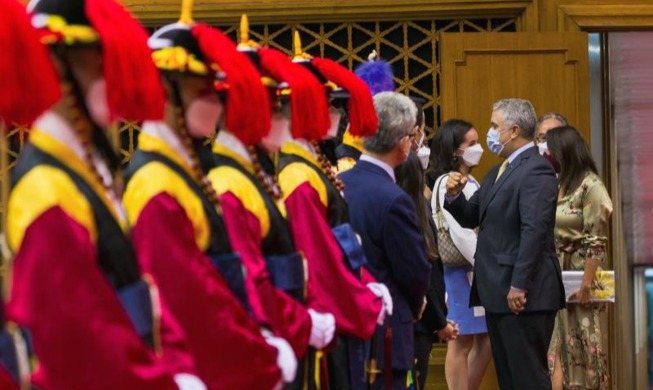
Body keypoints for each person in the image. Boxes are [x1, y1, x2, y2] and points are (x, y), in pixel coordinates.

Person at [5, 0, 207, 388]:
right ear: (57, 66)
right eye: (96, 61)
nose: (111, 74)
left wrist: (174, 368)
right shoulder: (46, 189)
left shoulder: (84, 171)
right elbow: (85, 340)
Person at [122, 5, 298, 389]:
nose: (217, 103)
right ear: (167, 91)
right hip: (198, 364)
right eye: (202, 91)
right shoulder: (156, 182)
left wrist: (259, 339)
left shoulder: (183, 173)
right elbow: (185, 297)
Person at [207, 24, 338, 389]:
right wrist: (297, 322)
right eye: (275, 108)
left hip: (290, 319)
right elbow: (249, 274)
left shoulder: (254, 175)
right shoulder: (229, 183)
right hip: (269, 331)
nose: (282, 118)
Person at [278, 32, 391, 390]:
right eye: (330, 103)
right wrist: (360, 299)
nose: (339, 113)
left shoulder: (312, 164)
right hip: (322, 312)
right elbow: (318, 258)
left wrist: (365, 284)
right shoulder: (298, 174)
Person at [444, 98, 565, 390]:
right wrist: (454, 196)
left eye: (494, 126)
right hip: (497, 292)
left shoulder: (536, 169)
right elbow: (470, 213)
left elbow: (534, 231)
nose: (490, 132)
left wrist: (519, 284)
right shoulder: (498, 170)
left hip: (523, 294)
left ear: (513, 130)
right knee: (510, 377)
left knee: (527, 377)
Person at [340, 91, 432, 390]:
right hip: (387, 328)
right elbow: (414, 271)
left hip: (347, 318)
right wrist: (418, 302)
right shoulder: (394, 199)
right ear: (403, 144)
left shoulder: (340, 183)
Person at [545, 125, 613, 390]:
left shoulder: (592, 185)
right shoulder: (559, 183)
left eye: (550, 149)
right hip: (556, 274)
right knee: (556, 344)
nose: (547, 154)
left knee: (585, 342)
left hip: (581, 273)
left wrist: (586, 283)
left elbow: (596, 240)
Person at [429, 119, 492, 390]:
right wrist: (485, 265)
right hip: (460, 272)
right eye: (472, 144)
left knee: (483, 337)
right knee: (461, 340)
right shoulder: (448, 182)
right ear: (455, 150)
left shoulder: (470, 179)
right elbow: (463, 233)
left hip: (470, 270)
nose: (478, 148)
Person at [395, 151, 457, 390]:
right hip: (415, 319)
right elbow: (422, 275)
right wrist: (440, 323)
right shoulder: (410, 211)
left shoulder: (415, 207)